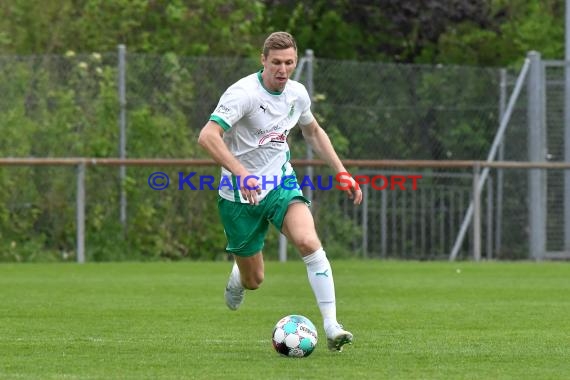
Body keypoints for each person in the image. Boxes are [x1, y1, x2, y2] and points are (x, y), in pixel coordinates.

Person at [197, 31, 363, 352]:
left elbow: (312, 131)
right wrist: (243, 174)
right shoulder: (242, 94)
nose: (282, 70)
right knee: (254, 280)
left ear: (295, 62)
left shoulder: (297, 94)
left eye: (289, 63)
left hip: (281, 184)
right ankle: (238, 276)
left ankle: (332, 326)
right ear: (263, 61)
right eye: (276, 63)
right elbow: (208, 136)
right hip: (238, 196)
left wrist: (341, 172)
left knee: (308, 241)